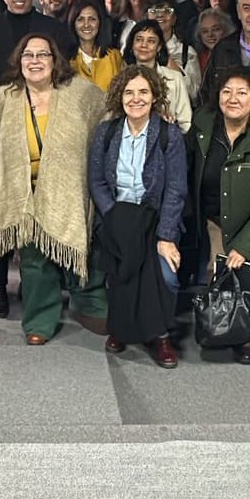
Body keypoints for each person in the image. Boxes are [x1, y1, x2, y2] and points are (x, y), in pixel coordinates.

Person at [0, 32, 107, 345]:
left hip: (70, 189)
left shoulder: (82, 93)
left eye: (43, 54)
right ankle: (39, 318)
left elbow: (110, 118)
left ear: (55, 60)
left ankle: (89, 305)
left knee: (82, 251)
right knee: (35, 261)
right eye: (28, 55)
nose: (35, 61)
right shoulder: (2, 98)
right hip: (23, 193)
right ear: (19, 61)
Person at [186, 68, 250, 363]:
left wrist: (245, 246)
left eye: (242, 92)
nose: (233, 98)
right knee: (216, 269)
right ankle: (222, 325)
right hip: (215, 218)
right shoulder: (203, 123)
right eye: (226, 91)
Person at [90, 66, 187, 368]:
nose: (136, 98)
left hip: (154, 219)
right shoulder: (106, 132)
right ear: (120, 97)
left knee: (166, 275)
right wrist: (113, 215)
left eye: (143, 92)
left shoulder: (169, 135)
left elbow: (176, 189)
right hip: (116, 216)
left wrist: (166, 237)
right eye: (129, 92)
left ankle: (160, 335)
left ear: (154, 95)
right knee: (121, 270)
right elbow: (96, 181)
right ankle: (121, 328)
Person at [125, 20, 193, 131]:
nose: (144, 45)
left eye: (151, 41)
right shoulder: (122, 78)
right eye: (139, 40)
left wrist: (171, 128)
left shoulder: (175, 78)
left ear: (159, 47)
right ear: (132, 44)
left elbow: (186, 123)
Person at [70, 0, 125, 93]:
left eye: (92, 19)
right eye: (80, 19)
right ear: (73, 23)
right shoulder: (65, 60)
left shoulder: (114, 57)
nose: (86, 25)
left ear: (100, 23)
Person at [189, 8, 236, 106]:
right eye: (205, 31)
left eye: (216, 29)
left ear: (227, 30)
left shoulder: (235, 55)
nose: (210, 35)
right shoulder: (196, 58)